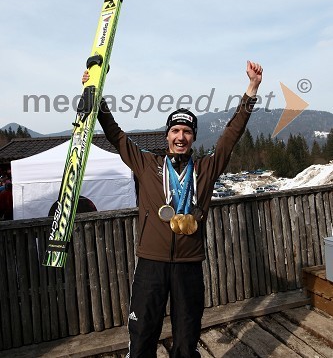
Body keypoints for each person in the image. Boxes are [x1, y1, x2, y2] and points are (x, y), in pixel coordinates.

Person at [82, 60, 263, 358]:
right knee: (142, 335)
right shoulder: (147, 164)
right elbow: (115, 134)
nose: (181, 137)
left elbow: (231, 136)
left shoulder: (205, 169)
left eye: (187, 132)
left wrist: (252, 90)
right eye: (176, 130)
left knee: (187, 336)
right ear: (167, 135)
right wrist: (95, 91)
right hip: (150, 264)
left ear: (193, 137)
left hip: (189, 264)